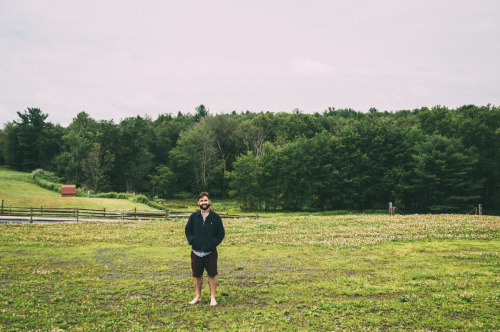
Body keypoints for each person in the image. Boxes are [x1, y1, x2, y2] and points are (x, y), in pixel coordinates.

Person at [185, 192, 225, 306]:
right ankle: (198, 296)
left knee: (212, 274)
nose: (204, 203)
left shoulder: (216, 217)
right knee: (197, 275)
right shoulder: (193, 217)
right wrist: (192, 241)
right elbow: (188, 230)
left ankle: (213, 297)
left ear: (209, 201)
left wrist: (213, 243)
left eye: (205, 200)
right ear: (198, 202)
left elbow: (221, 233)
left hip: (210, 252)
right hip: (196, 251)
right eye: (201, 201)